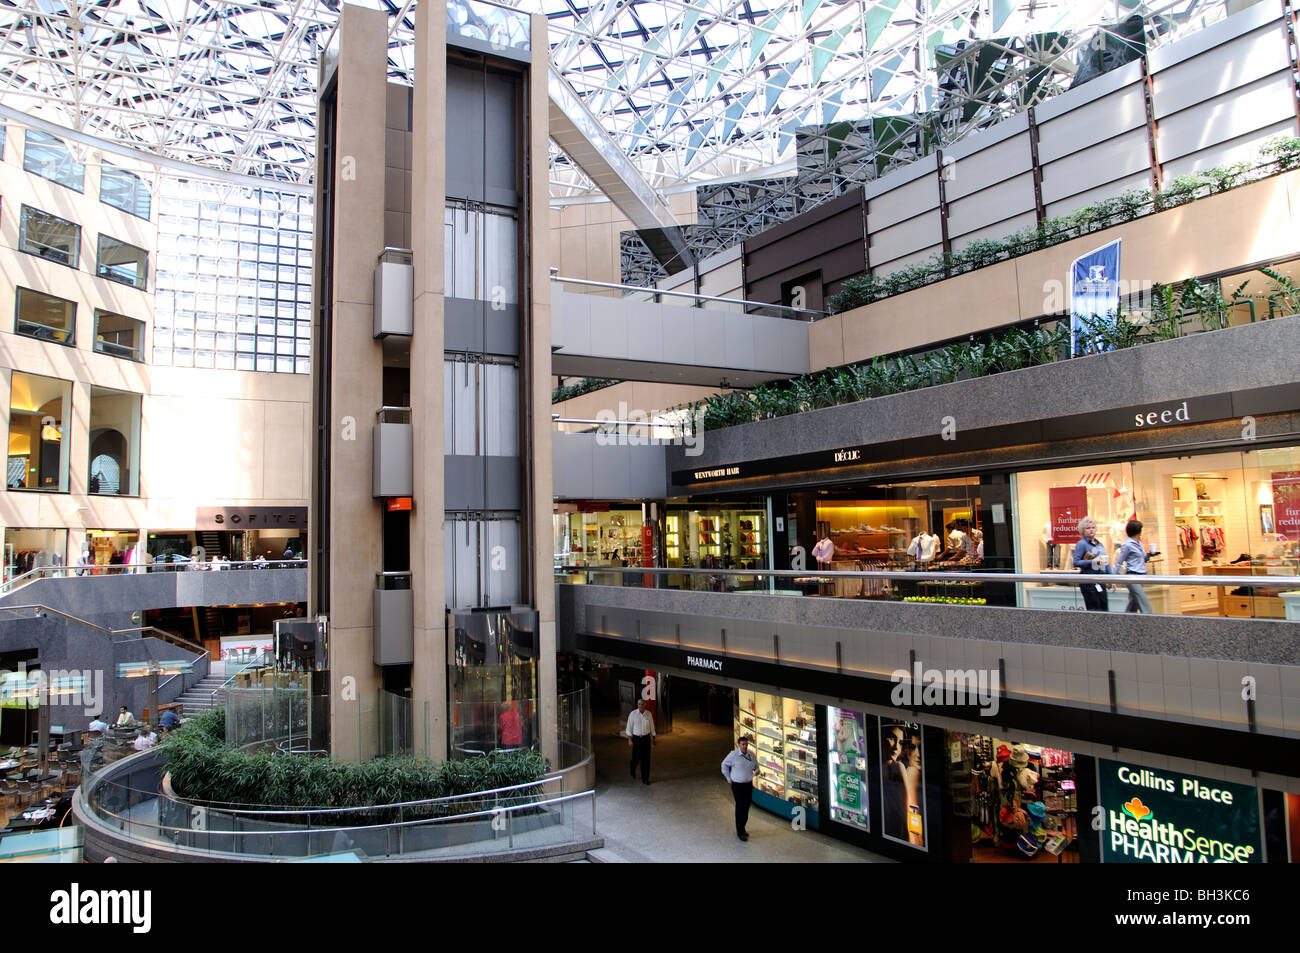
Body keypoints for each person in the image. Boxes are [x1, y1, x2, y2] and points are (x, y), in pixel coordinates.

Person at [721, 734, 759, 841]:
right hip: (737, 785)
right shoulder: (733, 755)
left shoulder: (751, 754)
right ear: (739, 745)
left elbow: (756, 765)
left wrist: (756, 770)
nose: (745, 746)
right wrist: (728, 777)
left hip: (748, 784)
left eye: (746, 744)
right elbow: (724, 765)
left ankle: (743, 826)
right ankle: (740, 831)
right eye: (743, 744)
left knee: (746, 806)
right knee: (740, 806)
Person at [1117, 519, 1157, 613]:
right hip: (1132, 576)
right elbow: (1119, 562)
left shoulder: (1139, 544)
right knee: (1143, 602)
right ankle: (1150, 621)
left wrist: (1149, 555)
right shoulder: (1127, 545)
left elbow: (1141, 559)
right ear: (1138, 531)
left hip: (1141, 576)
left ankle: (1127, 621)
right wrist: (1112, 578)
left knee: (1133, 603)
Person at [1072, 516, 1111, 611]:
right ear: (1083, 530)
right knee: (1094, 608)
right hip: (1089, 580)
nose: (1091, 530)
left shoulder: (1099, 544)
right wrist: (1092, 561)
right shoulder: (1082, 544)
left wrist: (1111, 578)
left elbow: (1106, 562)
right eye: (1088, 528)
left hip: (1101, 580)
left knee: (1104, 607)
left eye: (1093, 527)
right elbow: (1076, 562)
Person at [625, 698, 656, 784]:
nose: (641, 706)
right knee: (636, 758)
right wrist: (629, 740)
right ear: (637, 705)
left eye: (642, 704)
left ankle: (645, 778)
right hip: (636, 739)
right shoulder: (633, 714)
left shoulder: (648, 714)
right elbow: (629, 728)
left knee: (646, 760)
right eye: (639, 704)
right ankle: (632, 767)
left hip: (646, 739)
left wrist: (653, 738)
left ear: (645, 704)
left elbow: (652, 726)